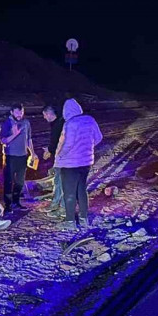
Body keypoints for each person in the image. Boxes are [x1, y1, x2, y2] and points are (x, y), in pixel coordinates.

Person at [55, 99, 103, 231]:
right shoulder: (90, 120)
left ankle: (70, 221)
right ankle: (84, 219)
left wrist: (60, 155)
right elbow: (98, 138)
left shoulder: (70, 123)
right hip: (86, 162)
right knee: (81, 190)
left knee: (69, 192)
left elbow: (68, 144)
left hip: (70, 164)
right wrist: (86, 147)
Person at [0, 103, 36, 213]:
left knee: (20, 181)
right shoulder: (6, 123)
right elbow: (3, 141)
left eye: (21, 112)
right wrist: (15, 134)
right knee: (9, 181)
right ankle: (8, 204)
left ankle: (16, 201)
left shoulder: (26, 123)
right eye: (17, 112)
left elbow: (29, 139)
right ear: (11, 112)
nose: (20, 115)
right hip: (11, 156)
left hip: (23, 156)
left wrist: (32, 153)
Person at [41, 104, 66, 218]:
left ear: (49, 113)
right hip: (60, 158)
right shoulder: (58, 123)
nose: (44, 118)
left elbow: (58, 142)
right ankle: (56, 203)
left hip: (63, 159)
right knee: (58, 181)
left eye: (44, 115)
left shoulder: (58, 125)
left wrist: (50, 150)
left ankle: (61, 207)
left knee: (60, 182)